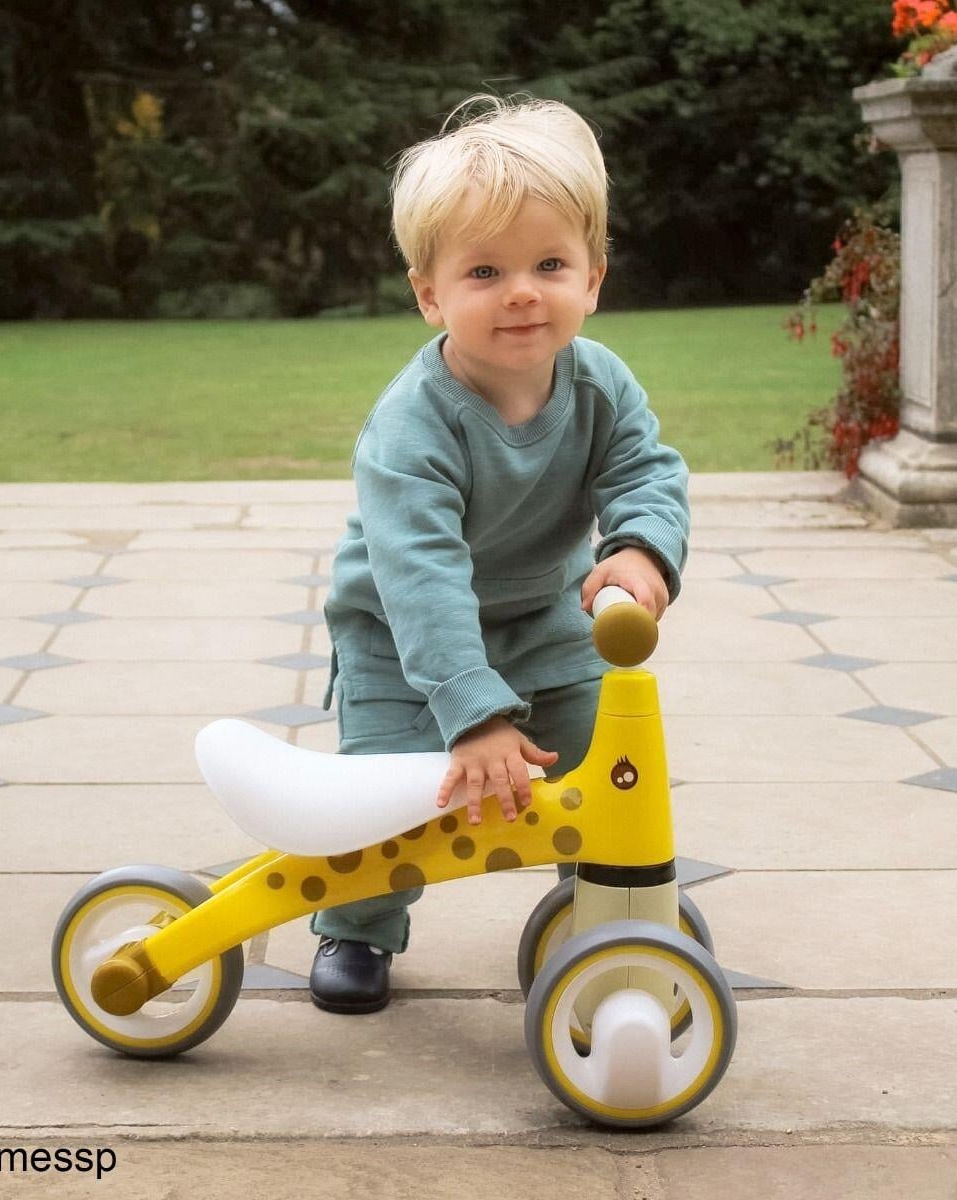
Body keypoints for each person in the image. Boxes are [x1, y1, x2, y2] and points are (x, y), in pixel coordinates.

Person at [308, 93, 690, 1015]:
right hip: (403, 639)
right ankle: (356, 928)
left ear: (593, 279)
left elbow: (645, 469)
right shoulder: (412, 426)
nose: (522, 291)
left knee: (609, 768)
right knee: (384, 795)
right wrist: (473, 714)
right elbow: (420, 575)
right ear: (429, 294)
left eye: (549, 264)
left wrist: (640, 550)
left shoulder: (601, 385)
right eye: (485, 270)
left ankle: (608, 909)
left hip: (545, 620)